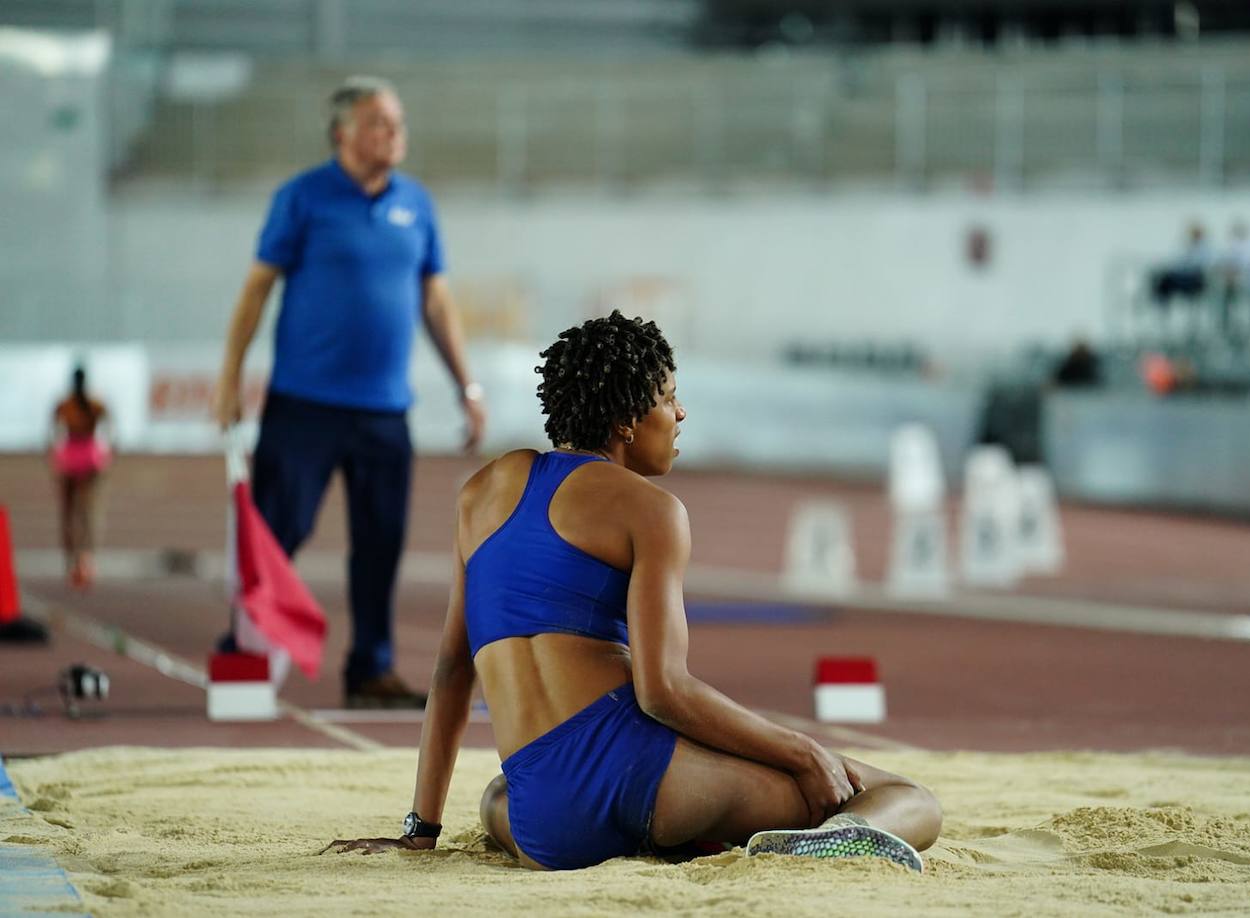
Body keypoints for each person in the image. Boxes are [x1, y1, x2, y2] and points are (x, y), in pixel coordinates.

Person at [325, 311, 942, 871]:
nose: (680, 416)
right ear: (625, 420)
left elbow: (452, 670)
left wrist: (420, 830)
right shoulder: (652, 510)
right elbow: (663, 691)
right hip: (639, 778)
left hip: (542, 826)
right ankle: (829, 839)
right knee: (905, 799)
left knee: (497, 794)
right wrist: (801, 751)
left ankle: (680, 830)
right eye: (669, 398)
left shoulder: (480, 492)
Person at [212, 75, 487, 709]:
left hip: (386, 411)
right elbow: (256, 290)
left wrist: (465, 386)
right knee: (279, 532)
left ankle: (371, 669)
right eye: (378, 124)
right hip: (303, 406)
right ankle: (248, 655)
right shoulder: (302, 198)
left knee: (381, 542)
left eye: (398, 124)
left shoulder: (417, 204)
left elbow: (435, 300)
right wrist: (230, 378)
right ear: (341, 133)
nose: (393, 134)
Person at [50, 365, 112, 590]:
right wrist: (107, 452)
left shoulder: (67, 405)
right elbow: (111, 427)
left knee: (72, 513)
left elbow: (51, 431)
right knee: (86, 513)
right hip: (87, 457)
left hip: (71, 457)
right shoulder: (90, 404)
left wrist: (53, 456)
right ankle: (83, 560)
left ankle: (75, 562)